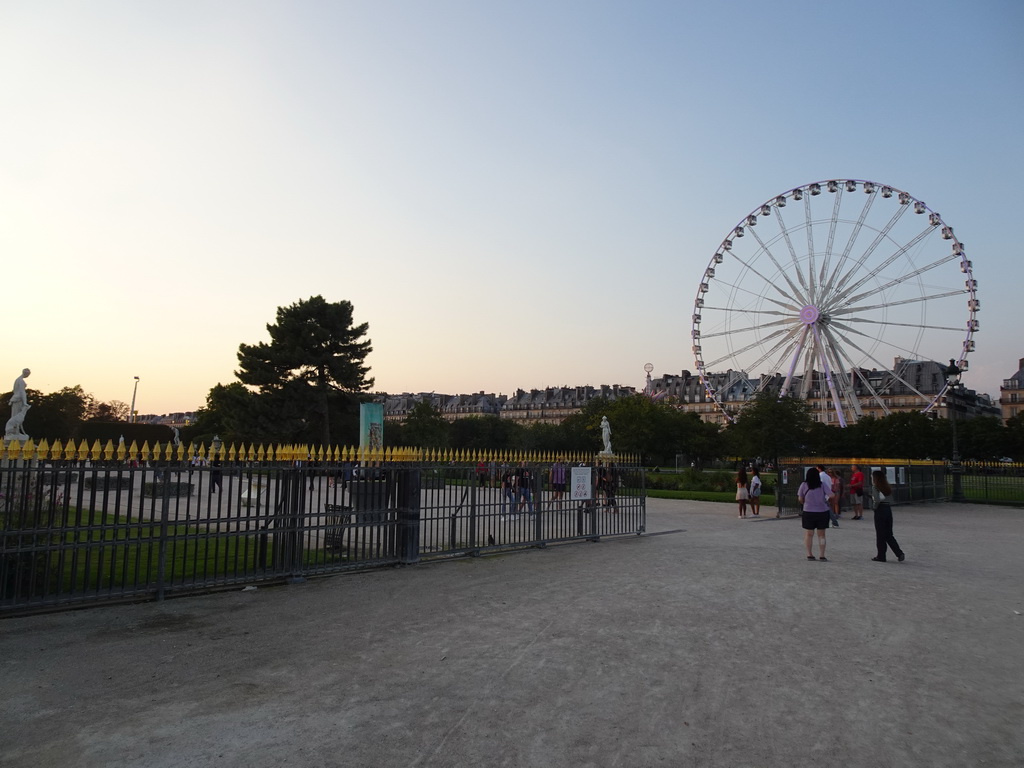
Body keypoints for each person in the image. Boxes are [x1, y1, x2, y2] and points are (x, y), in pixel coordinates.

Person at [798, 467, 832, 560]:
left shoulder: (804, 485)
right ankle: (822, 555)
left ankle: (809, 554)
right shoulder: (822, 485)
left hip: (808, 511)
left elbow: (800, 499)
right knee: (822, 535)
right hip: (822, 512)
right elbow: (831, 495)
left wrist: (805, 502)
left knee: (809, 534)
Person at [871, 470, 905, 562]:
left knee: (880, 534)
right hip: (888, 509)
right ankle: (899, 552)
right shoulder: (887, 487)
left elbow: (877, 500)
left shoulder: (875, 487)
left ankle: (881, 555)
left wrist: (874, 507)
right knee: (889, 534)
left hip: (880, 510)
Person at [5, 368, 31, 439]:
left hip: (16, 399)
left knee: (16, 416)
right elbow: (22, 392)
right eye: (28, 375)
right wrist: (25, 403)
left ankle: (16, 432)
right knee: (17, 416)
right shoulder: (21, 381)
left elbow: (15, 390)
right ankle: (14, 432)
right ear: (26, 374)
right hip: (18, 400)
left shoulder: (17, 380)